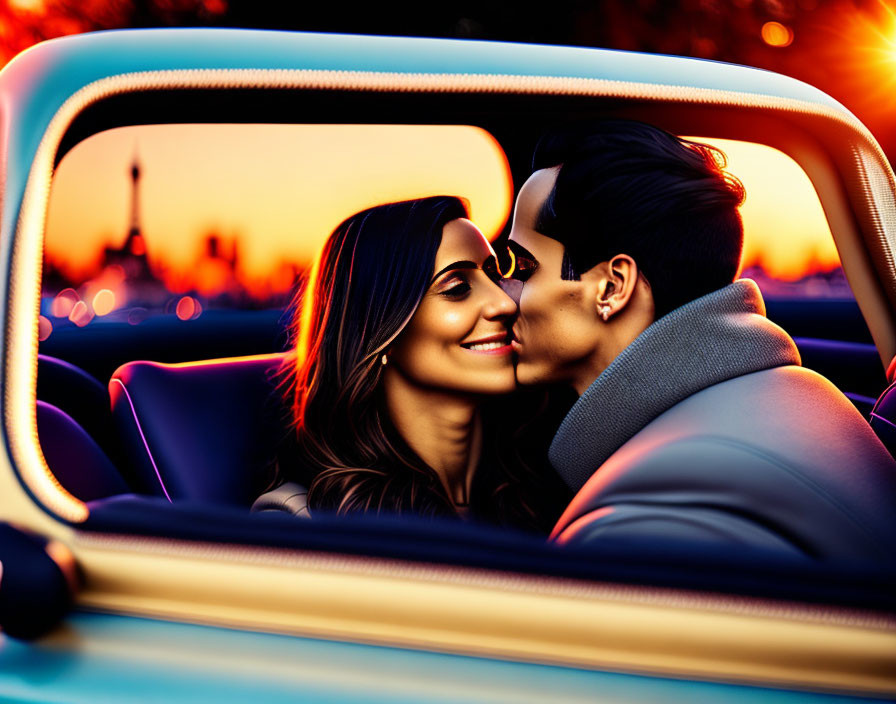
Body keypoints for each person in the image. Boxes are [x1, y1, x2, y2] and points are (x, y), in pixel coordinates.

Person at [501, 119, 896, 561]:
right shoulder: (793, 396)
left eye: (522, 267)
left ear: (612, 288)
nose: (502, 295)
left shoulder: (637, 532)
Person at [255, 196, 568, 531]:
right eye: (458, 288)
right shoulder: (307, 524)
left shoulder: (551, 475)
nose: (504, 302)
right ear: (380, 331)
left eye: (494, 276)